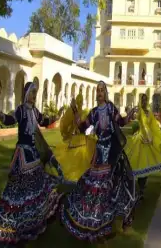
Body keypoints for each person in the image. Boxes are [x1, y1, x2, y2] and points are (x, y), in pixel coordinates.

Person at [60, 81, 136, 241]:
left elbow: (120, 122)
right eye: (98, 90)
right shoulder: (94, 112)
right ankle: (92, 219)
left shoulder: (110, 108)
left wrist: (129, 116)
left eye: (102, 90)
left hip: (113, 151)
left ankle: (110, 219)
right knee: (94, 185)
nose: (100, 93)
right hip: (100, 152)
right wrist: (75, 113)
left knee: (120, 181)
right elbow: (82, 128)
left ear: (106, 92)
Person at [0, 82, 63, 246]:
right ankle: (14, 224)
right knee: (19, 191)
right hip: (23, 156)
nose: (34, 95)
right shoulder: (21, 110)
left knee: (37, 187)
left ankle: (32, 222)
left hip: (33, 155)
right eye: (32, 92)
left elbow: (44, 121)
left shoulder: (34, 111)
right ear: (26, 94)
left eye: (36, 93)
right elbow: (10, 120)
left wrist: (56, 117)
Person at [126, 93, 161, 201]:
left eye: (145, 99)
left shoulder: (149, 113)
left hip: (149, 141)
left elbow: (153, 125)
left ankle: (142, 190)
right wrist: (131, 111)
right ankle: (135, 189)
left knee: (147, 166)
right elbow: (129, 118)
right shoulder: (139, 112)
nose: (144, 101)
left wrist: (155, 136)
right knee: (137, 164)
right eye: (142, 100)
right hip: (140, 141)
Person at [47, 93, 97, 183]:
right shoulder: (82, 112)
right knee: (80, 161)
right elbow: (78, 125)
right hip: (81, 140)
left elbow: (69, 126)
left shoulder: (81, 112)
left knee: (82, 160)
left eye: (81, 100)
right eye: (80, 100)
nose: (81, 102)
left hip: (80, 139)